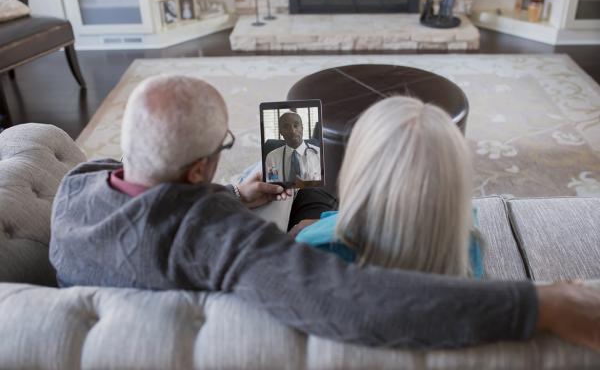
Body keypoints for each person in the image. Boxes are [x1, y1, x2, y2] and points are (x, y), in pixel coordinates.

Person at [49, 75, 600, 351]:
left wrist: (237, 194)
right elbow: (354, 298)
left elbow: (161, 210)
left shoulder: (76, 187)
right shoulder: (226, 243)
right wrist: (542, 303)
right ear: (198, 171)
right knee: (315, 193)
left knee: (306, 185)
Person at [293, 96, 485, 278]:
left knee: (309, 192)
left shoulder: (317, 247)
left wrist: (305, 231)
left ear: (358, 168)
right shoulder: (469, 244)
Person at [264, 112, 321, 185]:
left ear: (302, 128)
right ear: (280, 131)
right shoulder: (272, 157)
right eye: (286, 127)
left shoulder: (319, 153)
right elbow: (273, 184)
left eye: (296, 126)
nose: (292, 131)